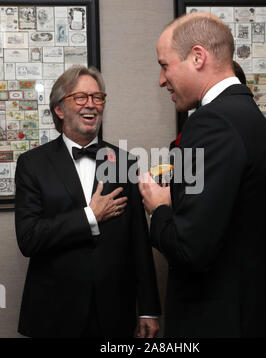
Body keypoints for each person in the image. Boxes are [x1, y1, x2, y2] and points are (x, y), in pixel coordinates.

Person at [139, 13, 266, 337]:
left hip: (217, 321)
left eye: (164, 65)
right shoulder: (256, 123)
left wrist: (160, 207)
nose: (161, 79)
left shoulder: (212, 123)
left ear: (197, 57)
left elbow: (189, 250)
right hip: (253, 315)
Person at [15, 66, 161, 338]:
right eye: (81, 97)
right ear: (59, 109)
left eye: (98, 97)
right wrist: (89, 216)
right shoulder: (31, 165)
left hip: (114, 313)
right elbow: (28, 238)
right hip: (54, 313)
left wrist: (148, 309)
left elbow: (139, 241)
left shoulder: (125, 162)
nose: (91, 105)